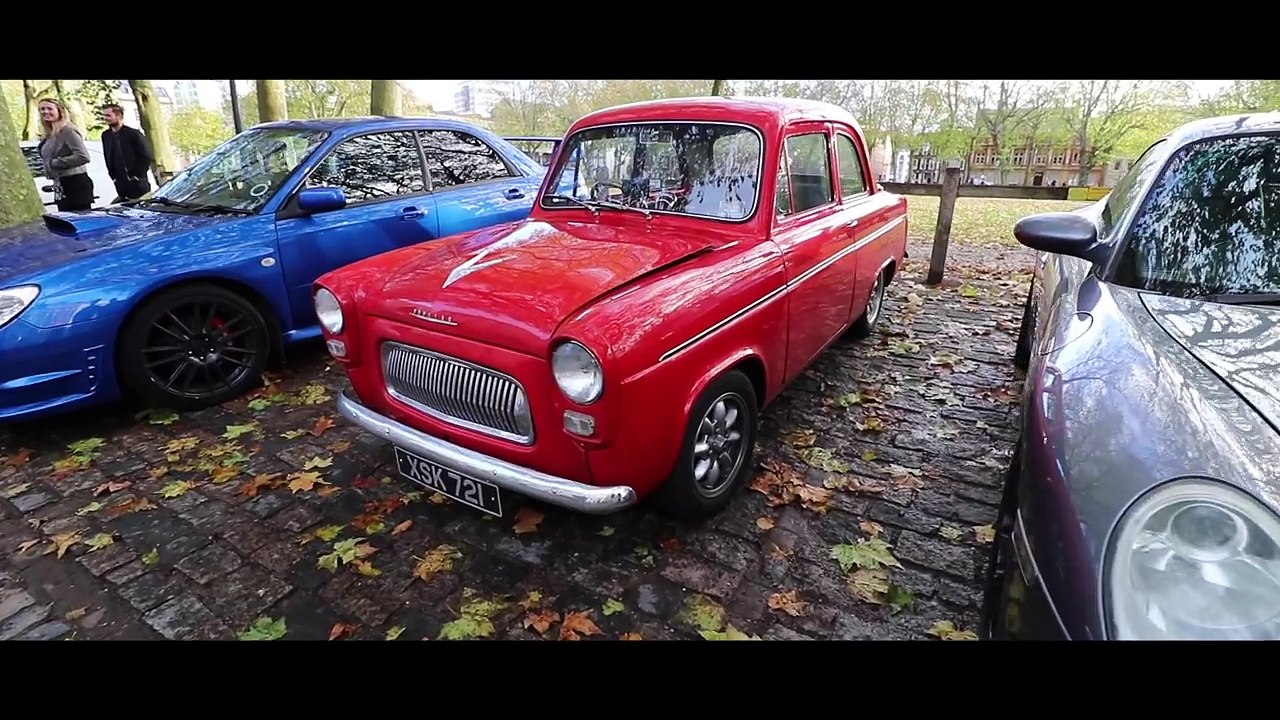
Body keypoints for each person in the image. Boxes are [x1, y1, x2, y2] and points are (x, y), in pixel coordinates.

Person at [37, 98, 94, 211]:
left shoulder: (68, 131)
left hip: (75, 183)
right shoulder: (50, 134)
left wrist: (54, 163)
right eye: (42, 109)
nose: (45, 111)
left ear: (59, 111)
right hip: (60, 184)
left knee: (79, 222)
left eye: (49, 108)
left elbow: (83, 156)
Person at [100, 103, 153, 202]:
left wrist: (136, 176)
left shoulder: (133, 134)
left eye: (108, 115)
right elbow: (108, 157)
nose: (105, 118)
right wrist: (113, 176)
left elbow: (146, 156)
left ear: (118, 116)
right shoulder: (106, 135)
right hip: (120, 185)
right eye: (104, 115)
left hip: (138, 184)